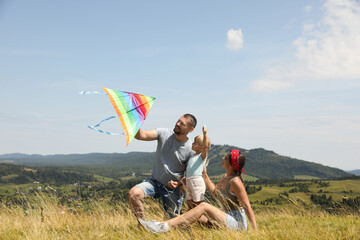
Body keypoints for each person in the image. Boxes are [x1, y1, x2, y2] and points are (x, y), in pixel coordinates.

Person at [138, 149, 258, 233]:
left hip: (237, 224)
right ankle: (162, 225)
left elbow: (247, 206)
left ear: (231, 165)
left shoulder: (235, 182)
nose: (223, 158)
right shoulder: (225, 177)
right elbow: (215, 193)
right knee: (192, 214)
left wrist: (255, 231)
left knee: (204, 206)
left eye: (225, 158)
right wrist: (205, 176)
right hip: (226, 218)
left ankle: (162, 227)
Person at [128, 114, 197, 219]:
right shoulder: (164, 133)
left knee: (172, 225)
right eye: (178, 120)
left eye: (182, 124)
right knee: (134, 194)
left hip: (173, 190)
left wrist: (178, 184)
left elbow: (189, 176)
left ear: (190, 129)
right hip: (154, 182)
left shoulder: (191, 150)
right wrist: (136, 121)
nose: (177, 124)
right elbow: (140, 135)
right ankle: (142, 225)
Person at [168, 126, 211, 209]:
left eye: (195, 143)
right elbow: (188, 175)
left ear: (201, 147)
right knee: (190, 205)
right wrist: (179, 183)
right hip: (189, 182)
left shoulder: (201, 157)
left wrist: (204, 134)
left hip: (196, 183)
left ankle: (201, 220)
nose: (192, 143)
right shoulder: (192, 157)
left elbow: (205, 147)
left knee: (198, 206)